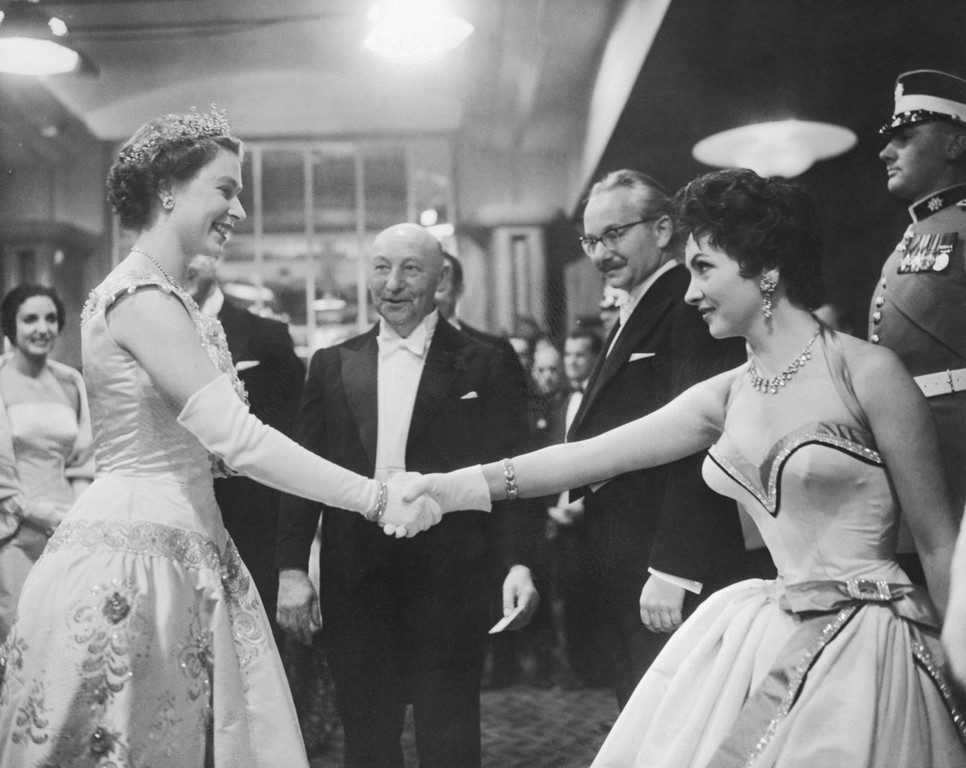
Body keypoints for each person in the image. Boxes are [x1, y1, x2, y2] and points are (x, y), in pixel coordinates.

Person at [408, 168, 966, 767]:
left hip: (872, 647)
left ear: (765, 271)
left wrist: (959, 673)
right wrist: (444, 487)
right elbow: (580, 458)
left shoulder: (868, 373)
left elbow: (940, 545)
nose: (691, 291)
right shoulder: (726, 394)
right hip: (772, 625)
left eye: (704, 269)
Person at [0, 111, 438, 768]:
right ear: (169, 187)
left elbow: (222, 454)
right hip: (140, 556)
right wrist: (372, 498)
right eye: (225, 189)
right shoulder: (138, 294)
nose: (238, 208)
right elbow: (238, 440)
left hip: (194, 541)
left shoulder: (169, 297)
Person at [275, 223, 538, 768]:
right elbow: (302, 473)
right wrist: (292, 569)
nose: (393, 284)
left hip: (451, 578)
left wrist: (518, 562)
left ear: (440, 280)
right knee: (368, 742)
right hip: (356, 578)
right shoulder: (331, 363)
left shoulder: (486, 362)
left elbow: (515, 473)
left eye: (411, 269)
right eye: (381, 267)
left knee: (449, 742)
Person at [565, 168, 747, 707]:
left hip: (664, 562)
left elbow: (706, 443)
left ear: (664, 228)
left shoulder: (687, 305)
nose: (600, 253)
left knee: (676, 720)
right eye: (591, 240)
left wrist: (674, 566)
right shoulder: (637, 303)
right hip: (624, 550)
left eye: (615, 234)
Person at [872, 69, 966, 580]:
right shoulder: (916, 234)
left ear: (954, 143)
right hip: (925, 454)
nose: (887, 152)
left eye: (906, 139)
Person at [183, 254, 305, 638]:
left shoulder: (267, 336)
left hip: (251, 521)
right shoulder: (147, 332)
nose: (184, 264)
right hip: (178, 511)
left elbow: (288, 434)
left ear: (216, 259)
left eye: (195, 255)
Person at [0, 284, 94, 640]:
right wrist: (34, 512)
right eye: (30, 319)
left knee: (66, 637)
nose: (42, 328)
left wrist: (74, 515)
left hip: (68, 530)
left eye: (50, 318)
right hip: (12, 531)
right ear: (11, 326)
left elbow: (84, 460)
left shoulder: (71, 382)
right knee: (18, 637)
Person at [545, 327, 604, 688]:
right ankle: (577, 667)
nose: (572, 362)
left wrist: (585, 505)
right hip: (561, 513)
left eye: (580, 355)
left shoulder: (603, 400)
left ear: (596, 359)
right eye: (567, 355)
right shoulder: (559, 403)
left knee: (596, 594)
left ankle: (599, 668)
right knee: (567, 594)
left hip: (596, 513)